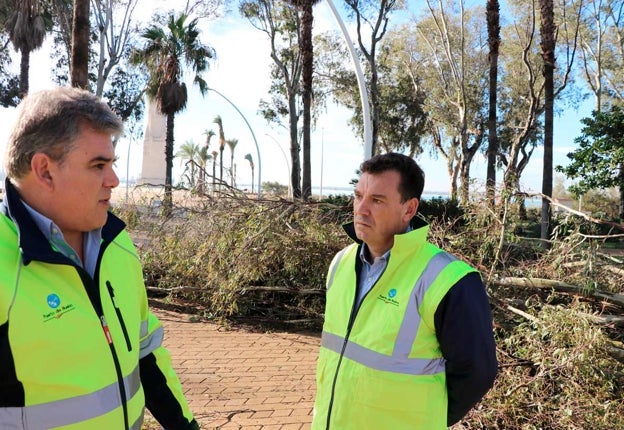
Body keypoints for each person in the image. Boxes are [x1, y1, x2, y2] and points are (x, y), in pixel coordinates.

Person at [0, 87, 199, 430]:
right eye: (98, 165)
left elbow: (145, 354)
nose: (113, 180)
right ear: (44, 170)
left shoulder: (117, 243)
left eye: (112, 164)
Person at [312, 152, 497, 429]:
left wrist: (425, 418)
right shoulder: (341, 263)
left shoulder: (447, 278)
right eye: (358, 195)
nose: (361, 209)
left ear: (409, 209)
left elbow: (477, 373)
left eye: (377, 200)